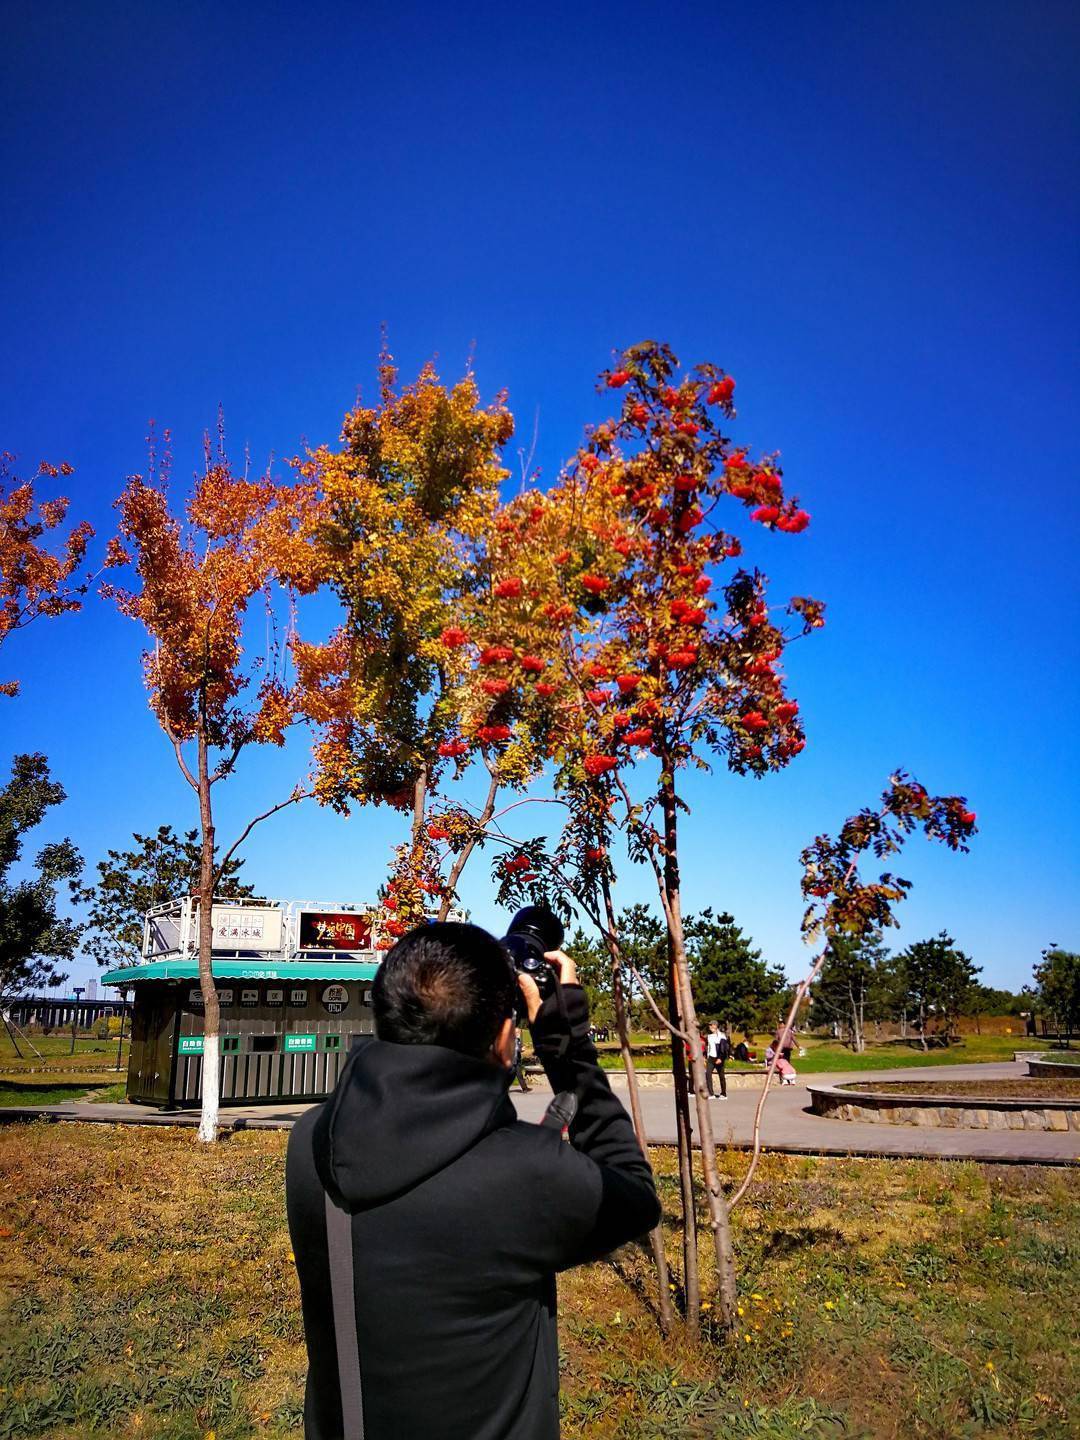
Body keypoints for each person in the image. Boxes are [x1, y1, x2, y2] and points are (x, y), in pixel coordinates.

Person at [286, 920, 660, 1440]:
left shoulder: (310, 1142)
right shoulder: (526, 1174)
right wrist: (565, 1044)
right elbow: (636, 1195)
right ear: (505, 1038)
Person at [705, 1020, 730, 1099]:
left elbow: (723, 1049)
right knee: (708, 1074)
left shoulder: (722, 1036)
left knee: (721, 1075)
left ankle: (723, 1093)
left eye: (711, 1025)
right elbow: (708, 1047)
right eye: (709, 1025)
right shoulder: (709, 1036)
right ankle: (711, 1093)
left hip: (719, 1058)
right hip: (711, 1058)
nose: (710, 1027)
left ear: (715, 1026)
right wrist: (706, 1057)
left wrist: (720, 1058)